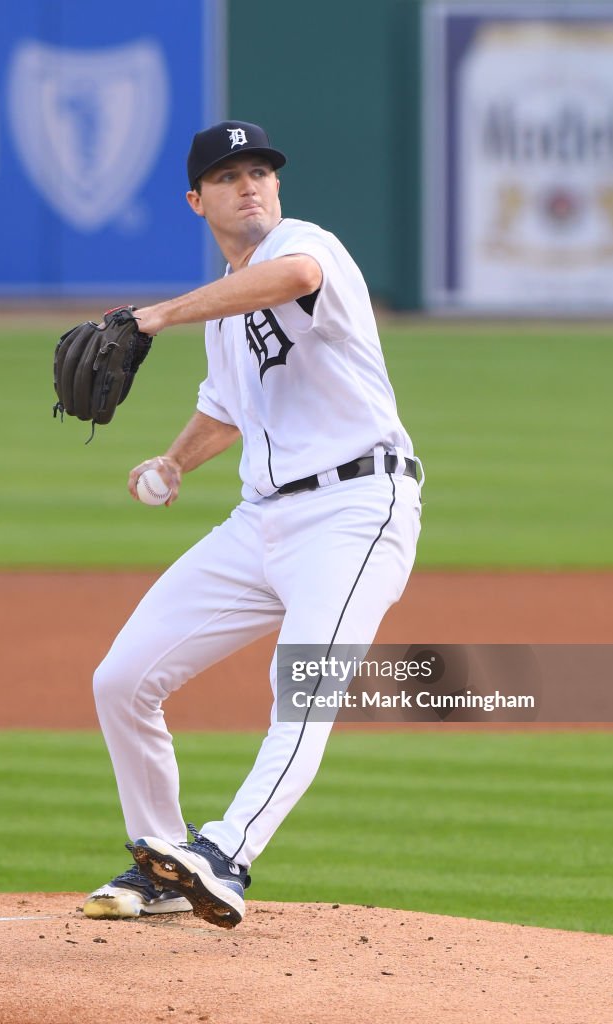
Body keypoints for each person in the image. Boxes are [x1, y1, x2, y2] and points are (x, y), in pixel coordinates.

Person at [83, 120, 423, 929]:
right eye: (230, 175)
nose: (251, 185)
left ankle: (227, 852)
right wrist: (171, 464)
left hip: (353, 510)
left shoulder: (308, 246)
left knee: (302, 688)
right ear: (196, 200)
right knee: (121, 680)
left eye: (261, 171)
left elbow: (290, 277)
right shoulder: (225, 312)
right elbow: (226, 410)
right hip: (259, 523)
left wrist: (153, 317)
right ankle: (163, 859)